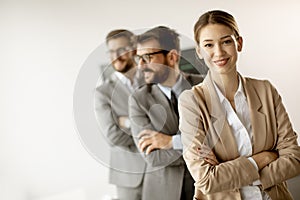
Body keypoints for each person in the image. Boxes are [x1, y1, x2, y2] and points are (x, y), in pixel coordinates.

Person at [178, 10, 300, 200]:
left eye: (226, 41)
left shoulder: (266, 90)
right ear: (199, 51)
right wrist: (264, 158)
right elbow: (206, 180)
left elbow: (293, 159)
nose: (218, 52)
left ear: (239, 43)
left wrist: (231, 173)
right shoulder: (192, 101)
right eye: (209, 45)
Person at [129, 26, 203, 200]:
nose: (140, 65)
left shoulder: (203, 88)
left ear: (172, 57)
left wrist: (171, 141)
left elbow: (218, 142)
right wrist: (200, 149)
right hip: (163, 192)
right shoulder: (138, 100)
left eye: (147, 57)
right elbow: (153, 157)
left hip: (207, 187)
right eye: (138, 58)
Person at [94, 29, 146, 200]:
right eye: (111, 51)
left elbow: (168, 122)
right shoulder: (103, 93)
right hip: (128, 176)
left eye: (121, 50)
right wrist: (153, 136)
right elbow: (113, 136)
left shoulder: (152, 81)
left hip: (163, 173)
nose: (116, 56)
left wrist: (128, 123)